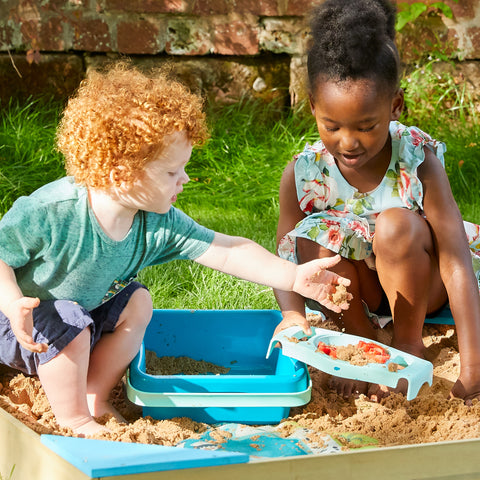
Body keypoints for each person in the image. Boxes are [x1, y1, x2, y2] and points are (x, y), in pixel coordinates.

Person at [0, 62, 351, 436]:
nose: (183, 179)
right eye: (171, 172)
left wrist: (293, 275)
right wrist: (11, 303)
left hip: (80, 322)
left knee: (137, 302)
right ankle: (73, 419)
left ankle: (94, 397)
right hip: (17, 325)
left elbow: (228, 250)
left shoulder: (157, 221)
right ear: (121, 174)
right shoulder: (52, 212)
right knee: (69, 317)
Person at [274, 0, 480, 402]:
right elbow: (284, 259)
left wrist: (473, 365)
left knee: (394, 224)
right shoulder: (304, 172)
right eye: (331, 126)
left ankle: (407, 342)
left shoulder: (418, 162)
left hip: (422, 280)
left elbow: (454, 259)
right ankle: (365, 342)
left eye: (367, 126)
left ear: (395, 106)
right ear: (313, 108)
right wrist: (292, 315)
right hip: (359, 296)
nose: (348, 142)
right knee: (309, 236)